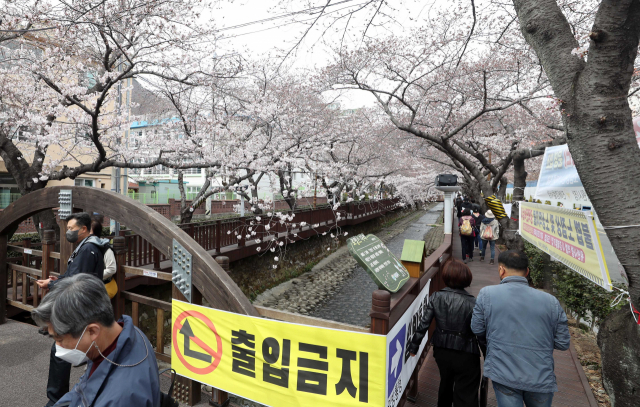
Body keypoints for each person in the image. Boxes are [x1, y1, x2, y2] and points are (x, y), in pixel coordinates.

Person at [32, 274, 160, 407]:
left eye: (59, 339)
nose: (58, 346)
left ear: (92, 331)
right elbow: (84, 389)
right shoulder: (126, 336)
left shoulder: (120, 398)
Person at [471, 251, 570, 407]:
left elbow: (477, 328)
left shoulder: (486, 294)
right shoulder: (551, 302)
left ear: (501, 269)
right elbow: (563, 343)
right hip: (540, 377)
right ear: (527, 272)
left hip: (504, 373)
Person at [35, 212, 109, 407]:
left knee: (61, 348)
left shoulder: (87, 250)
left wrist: (52, 286)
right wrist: (56, 280)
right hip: (86, 305)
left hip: (79, 306)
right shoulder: (88, 246)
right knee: (76, 349)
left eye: (71, 229)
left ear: (83, 229)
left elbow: (77, 282)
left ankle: (56, 400)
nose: (68, 232)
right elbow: (73, 275)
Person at [409, 261, 482, 407]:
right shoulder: (474, 302)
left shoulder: (436, 297)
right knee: (466, 391)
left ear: (446, 277)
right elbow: (480, 331)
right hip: (466, 352)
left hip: (442, 350)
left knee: (446, 382)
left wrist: (414, 347)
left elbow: (424, 324)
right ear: (466, 278)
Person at [91, 217, 118, 299]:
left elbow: (112, 269)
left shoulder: (105, 248)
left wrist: (92, 277)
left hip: (103, 287)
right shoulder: (86, 247)